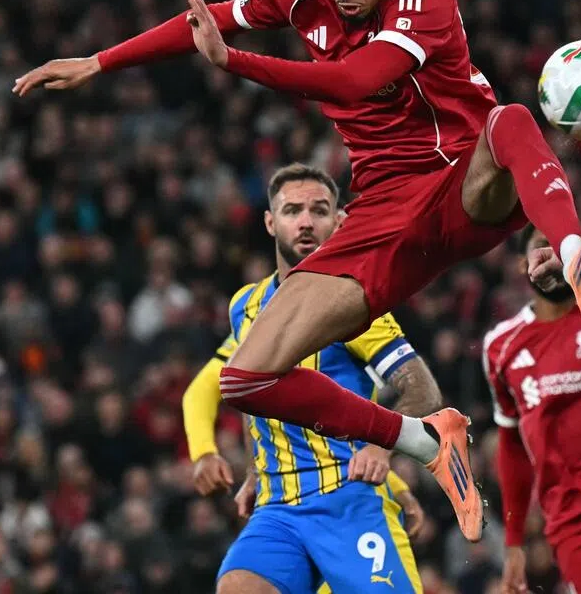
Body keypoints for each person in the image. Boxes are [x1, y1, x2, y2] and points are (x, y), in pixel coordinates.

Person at [13, 0, 581, 541]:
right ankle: (428, 440)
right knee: (247, 378)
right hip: (381, 208)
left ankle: (574, 254)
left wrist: (235, 66)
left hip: (463, 178)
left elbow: (355, 80)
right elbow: (210, 18)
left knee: (509, 119)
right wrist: (100, 61)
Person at [182, 164, 437, 593]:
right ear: (270, 222)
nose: (305, 221)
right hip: (279, 510)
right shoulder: (246, 305)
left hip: (347, 502)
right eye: (292, 210)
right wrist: (256, 474)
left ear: (338, 222)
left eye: (319, 211)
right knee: (238, 586)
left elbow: (423, 389)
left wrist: (382, 448)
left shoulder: (355, 303)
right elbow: (246, 394)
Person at [484, 224, 581, 594]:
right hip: (578, 521)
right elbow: (511, 445)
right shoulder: (501, 346)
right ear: (521, 265)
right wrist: (514, 543)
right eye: (539, 248)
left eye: (562, 248)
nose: (551, 259)